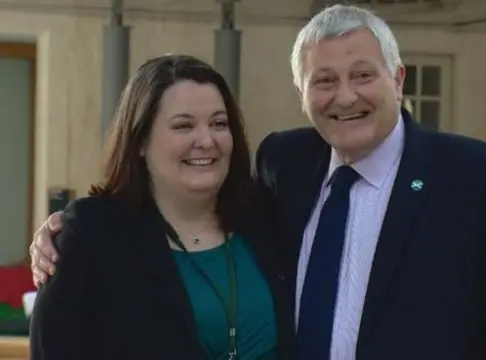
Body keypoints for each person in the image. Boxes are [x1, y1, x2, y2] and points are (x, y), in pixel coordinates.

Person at [30, 4, 486, 360]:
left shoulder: (481, 179)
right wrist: (61, 231)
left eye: (363, 75)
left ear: (398, 80)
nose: (344, 96)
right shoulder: (287, 165)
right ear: (302, 93)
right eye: (324, 81)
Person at [28, 54, 293, 360]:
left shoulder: (265, 217)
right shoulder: (90, 233)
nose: (206, 140)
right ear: (140, 141)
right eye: (183, 126)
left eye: (219, 123)